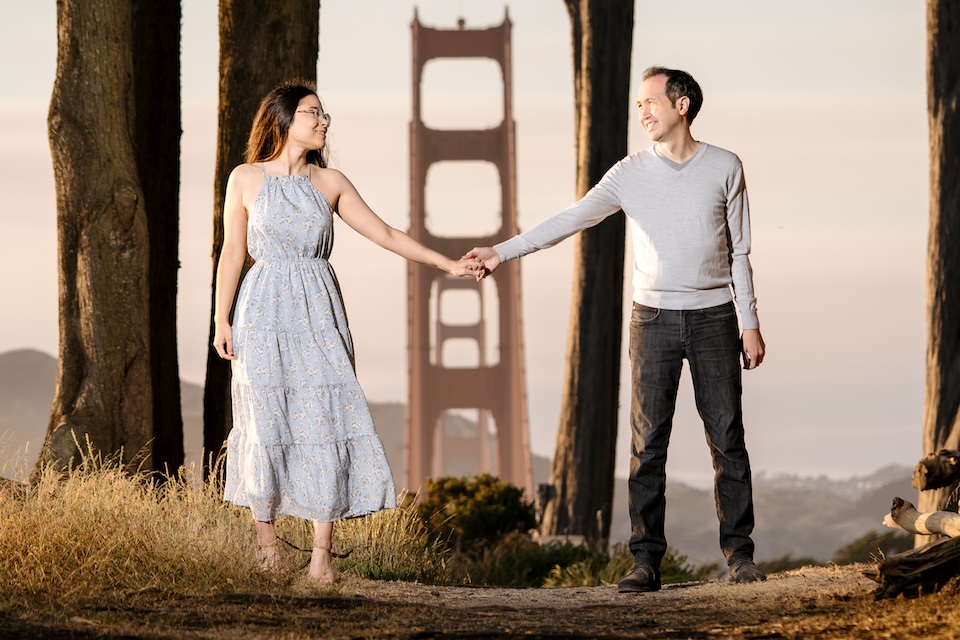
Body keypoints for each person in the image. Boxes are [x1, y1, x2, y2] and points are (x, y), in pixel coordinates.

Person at [465, 66, 767, 592]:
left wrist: (751, 324)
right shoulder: (628, 173)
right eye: (638, 105)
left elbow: (739, 253)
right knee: (648, 444)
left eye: (651, 102)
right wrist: (501, 252)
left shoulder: (725, 166)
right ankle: (645, 561)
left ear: (683, 105)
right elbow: (570, 219)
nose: (644, 112)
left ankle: (740, 556)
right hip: (651, 320)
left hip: (716, 317)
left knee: (727, 439)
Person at [212, 80, 481, 583]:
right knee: (265, 419)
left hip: (317, 311)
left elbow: (384, 233)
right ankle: (266, 546)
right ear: (284, 119)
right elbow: (233, 251)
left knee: (324, 420)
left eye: (324, 114)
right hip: (261, 310)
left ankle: (321, 558)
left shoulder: (330, 182)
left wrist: (447, 264)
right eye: (313, 113)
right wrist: (221, 318)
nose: (323, 121)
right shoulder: (245, 179)